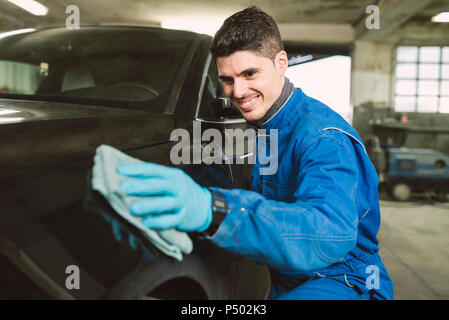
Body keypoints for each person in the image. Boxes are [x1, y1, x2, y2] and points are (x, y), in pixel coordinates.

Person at [116, 6, 394, 300]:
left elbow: (329, 235)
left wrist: (214, 209)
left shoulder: (322, 138)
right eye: (227, 79)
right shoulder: (267, 126)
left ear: (281, 63)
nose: (237, 91)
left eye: (250, 73)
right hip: (287, 278)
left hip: (342, 280)